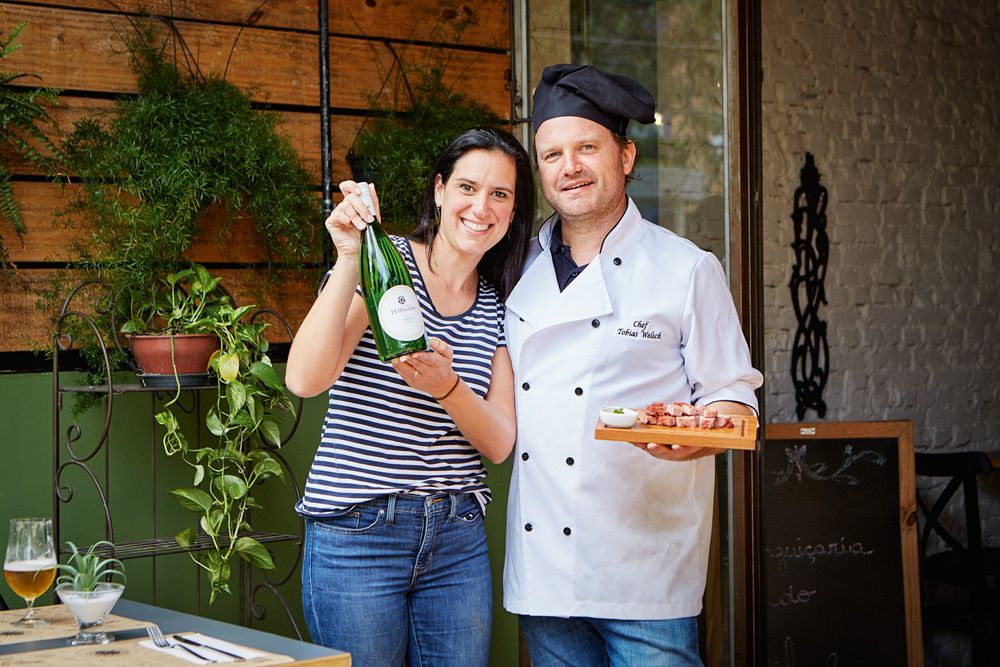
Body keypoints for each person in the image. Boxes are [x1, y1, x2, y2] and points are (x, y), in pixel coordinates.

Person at [502, 64, 764, 666]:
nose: (569, 167)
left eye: (586, 148)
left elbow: (732, 393)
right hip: (545, 576)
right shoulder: (517, 269)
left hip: (648, 567)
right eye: (552, 154)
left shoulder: (687, 269)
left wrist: (698, 437)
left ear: (625, 155)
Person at [286, 126, 535, 667]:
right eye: (468, 187)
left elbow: (498, 442)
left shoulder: (500, 303)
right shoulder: (386, 263)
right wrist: (350, 256)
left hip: (457, 539)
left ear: (514, 212)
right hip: (359, 532)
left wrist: (446, 387)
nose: (481, 207)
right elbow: (305, 379)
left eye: (500, 195)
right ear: (440, 190)